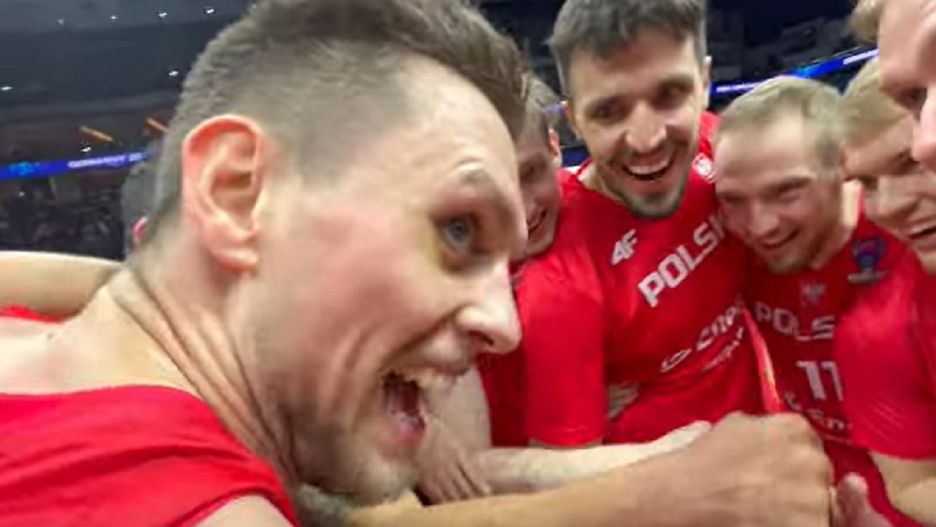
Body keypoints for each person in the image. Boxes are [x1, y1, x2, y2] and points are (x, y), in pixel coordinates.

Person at [0, 0, 842, 526]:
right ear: (234, 192)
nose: (503, 321)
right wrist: (667, 491)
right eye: (456, 230)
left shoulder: (44, 334)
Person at [505, 0, 764, 453]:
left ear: (704, 83)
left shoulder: (722, 150)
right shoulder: (561, 285)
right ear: (574, 121)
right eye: (609, 111)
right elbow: (568, 477)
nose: (647, 140)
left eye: (670, 95)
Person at [713, 75, 915, 526]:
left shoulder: (910, 232)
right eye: (734, 200)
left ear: (842, 165)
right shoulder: (727, 248)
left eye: (786, 191)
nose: (759, 226)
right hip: (823, 486)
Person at [829, 55, 936, 525]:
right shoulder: (877, 335)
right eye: (869, 183)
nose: (889, 206)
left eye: (910, 163)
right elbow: (914, 483)